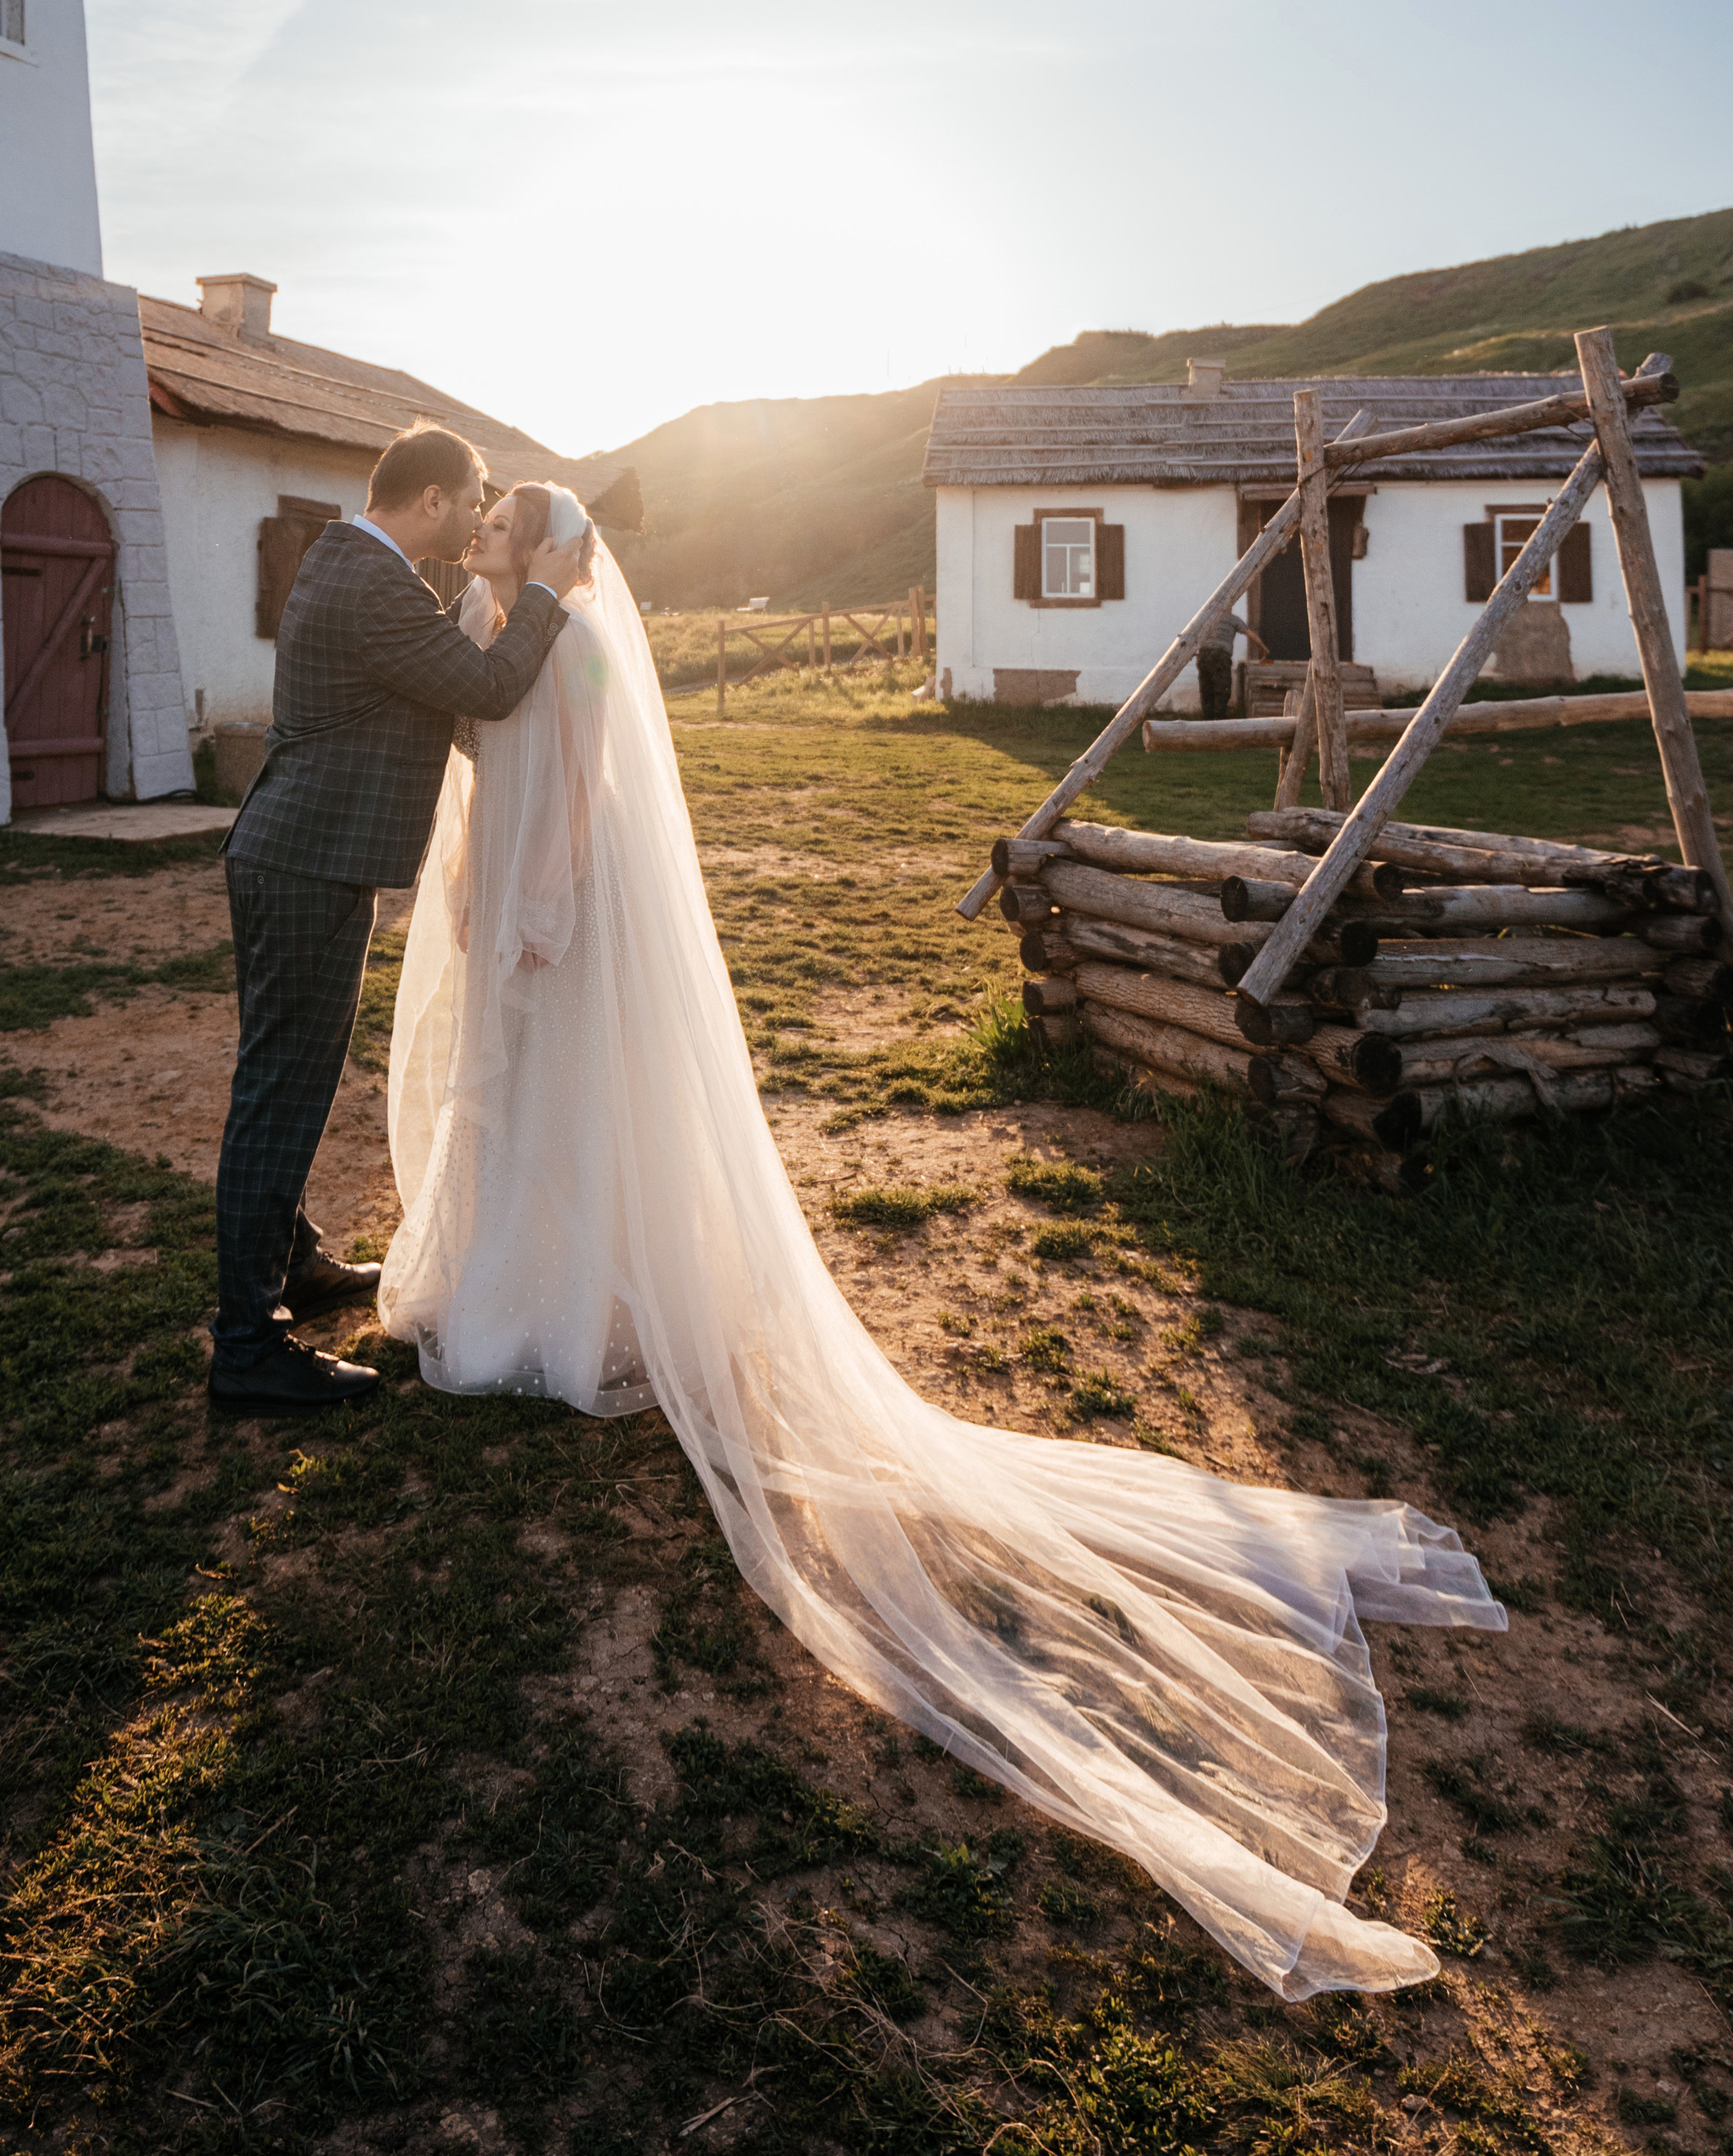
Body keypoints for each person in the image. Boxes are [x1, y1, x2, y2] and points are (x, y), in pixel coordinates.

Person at [379, 497, 1507, 2003]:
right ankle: (518, 1274)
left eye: (505, 520)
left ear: (548, 549)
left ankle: (575, 1300)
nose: (483, 531)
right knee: (511, 1107)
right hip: (504, 909)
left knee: (573, 1107)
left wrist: (536, 895)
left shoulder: (574, 641)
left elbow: (580, 788)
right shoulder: (485, 634)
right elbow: (480, 767)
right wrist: (468, 878)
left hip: (562, 916)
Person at [210, 421, 587, 1416]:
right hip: (305, 863)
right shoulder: (373, 581)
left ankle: (289, 1264)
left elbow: (442, 708)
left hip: (303, 859)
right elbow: (491, 691)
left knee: (285, 1079)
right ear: (431, 499)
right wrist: (545, 592)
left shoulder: (357, 568)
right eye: (471, 501)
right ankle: (247, 1346)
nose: (473, 520)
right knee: (280, 1095)